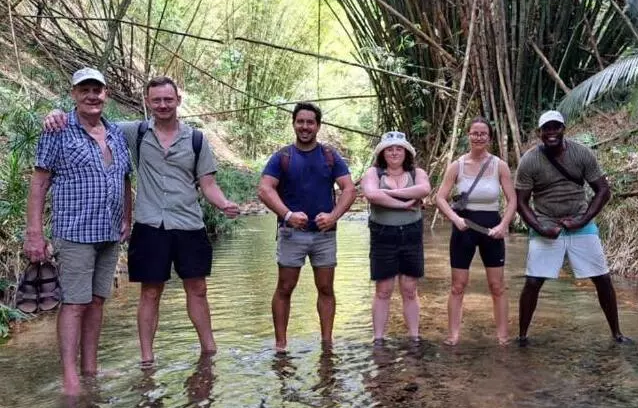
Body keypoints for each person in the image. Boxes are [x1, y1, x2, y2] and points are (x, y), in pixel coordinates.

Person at [44, 76, 240, 367]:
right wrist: (54, 114)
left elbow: (208, 184)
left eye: (168, 99)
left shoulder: (197, 140)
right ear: (147, 102)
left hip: (189, 223)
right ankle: (147, 359)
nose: (163, 105)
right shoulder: (132, 132)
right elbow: (89, 117)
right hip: (149, 225)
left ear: (178, 101)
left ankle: (209, 351)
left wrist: (224, 204)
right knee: (150, 291)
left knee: (197, 289)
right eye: (157, 100)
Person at [26, 67, 132, 395]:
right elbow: (40, 180)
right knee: (74, 304)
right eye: (84, 90)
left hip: (109, 232)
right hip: (74, 232)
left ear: (106, 94)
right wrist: (34, 233)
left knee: (98, 301)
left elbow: (125, 177)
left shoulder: (115, 132)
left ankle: (91, 369)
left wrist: (128, 217)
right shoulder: (58, 129)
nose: (91, 95)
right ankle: (70, 379)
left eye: (97, 90)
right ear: (73, 94)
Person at [514, 110, 630, 345]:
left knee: (602, 278)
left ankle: (616, 333)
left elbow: (603, 191)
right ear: (540, 133)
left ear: (563, 129)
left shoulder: (581, 153)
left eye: (556, 127)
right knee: (533, 281)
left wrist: (583, 220)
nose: (551, 133)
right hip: (545, 222)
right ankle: (522, 336)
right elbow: (520, 202)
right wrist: (539, 227)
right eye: (546, 129)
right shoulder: (530, 160)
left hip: (580, 222)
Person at [257, 102, 356, 353]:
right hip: (292, 233)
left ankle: (326, 343)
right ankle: (280, 345)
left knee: (325, 288)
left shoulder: (330, 156)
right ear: (294, 124)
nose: (305, 127)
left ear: (318, 126)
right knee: (284, 288)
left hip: (324, 234)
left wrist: (333, 216)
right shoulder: (283, 157)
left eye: (310, 122)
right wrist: (287, 214)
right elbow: (264, 189)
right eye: (300, 122)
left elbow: (349, 189)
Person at [435, 117, 517, 345]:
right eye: (474, 133)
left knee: (497, 286)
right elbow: (439, 198)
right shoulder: (457, 165)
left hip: (492, 228)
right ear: (468, 135)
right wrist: (455, 218)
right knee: (457, 285)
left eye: (483, 133)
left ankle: (502, 336)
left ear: (489, 138)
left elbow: (512, 200)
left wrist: (503, 226)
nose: (479, 137)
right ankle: (453, 335)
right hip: (464, 228)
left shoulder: (499, 165)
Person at [361, 131, 431, 344]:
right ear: (382, 153)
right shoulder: (373, 173)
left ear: (406, 152)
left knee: (410, 288)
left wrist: (388, 194)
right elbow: (372, 194)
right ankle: (379, 339)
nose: (394, 152)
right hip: (383, 234)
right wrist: (403, 203)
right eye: (389, 149)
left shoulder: (416, 172)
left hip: (411, 233)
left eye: (398, 148)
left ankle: (414, 336)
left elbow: (424, 189)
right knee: (383, 289)